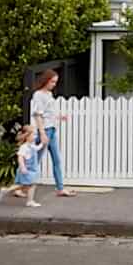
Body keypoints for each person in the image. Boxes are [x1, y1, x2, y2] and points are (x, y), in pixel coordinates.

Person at [30, 69, 76, 197]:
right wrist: (42, 133)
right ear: (46, 80)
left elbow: (48, 113)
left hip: (52, 130)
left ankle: (60, 188)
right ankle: (19, 187)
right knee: (34, 161)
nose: (54, 84)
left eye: (56, 82)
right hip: (44, 132)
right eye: (52, 81)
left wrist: (59, 117)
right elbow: (38, 115)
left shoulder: (49, 94)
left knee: (56, 159)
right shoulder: (38, 95)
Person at [0, 123, 47, 207]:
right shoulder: (24, 147)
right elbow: (20, 157)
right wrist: (23, 167)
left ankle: (6, 190)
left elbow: (37, 148)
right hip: (26, 170)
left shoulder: (32, 145)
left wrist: (43, 144)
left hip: (31, 170)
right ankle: (30, 201)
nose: (35, 136)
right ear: (27, 136)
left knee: (23, 185)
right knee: (31, 184)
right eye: (33, 134)